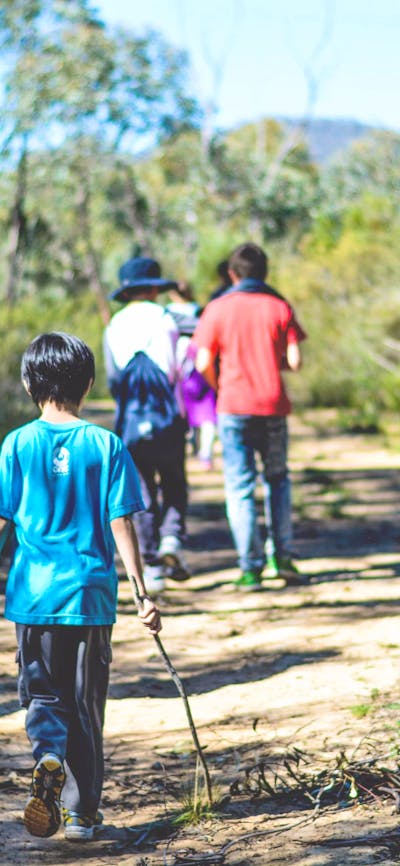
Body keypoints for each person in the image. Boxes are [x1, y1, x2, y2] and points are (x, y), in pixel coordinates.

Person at [0, 332, 161, 842]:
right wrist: (141, 591)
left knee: (43, 694)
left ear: (29, 383)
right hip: (90, 597)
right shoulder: (106, 444)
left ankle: (47, 752)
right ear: (89, 384)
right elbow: (122, 524)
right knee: (87, 706)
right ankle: (80, 816)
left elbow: (2, 521)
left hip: (34, 596)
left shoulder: (16, 444)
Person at [192, 241, 307, 590]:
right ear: (264, 272)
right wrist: (272, 364)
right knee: (277, 479)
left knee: (240, 487)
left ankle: (249, 567)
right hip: (273, 405)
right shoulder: (279, 306)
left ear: (232, 273)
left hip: (233, 406)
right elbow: (296, 360)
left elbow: (201, 363)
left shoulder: (217, 308)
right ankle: (282, 557)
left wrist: (220, 386)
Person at [104, 256, 189, 594]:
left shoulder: (114, 325)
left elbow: (112, 379)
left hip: (130, 421)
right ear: (154, 288)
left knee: (140, 489)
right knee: (174, 481)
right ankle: (172, 539)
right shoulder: (169, 319)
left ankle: (151, 565)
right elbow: (179, 368)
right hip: (167, 418)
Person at [166, 281, 217, 469]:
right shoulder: (201, 313)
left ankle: (191, 447)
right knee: (208, 415)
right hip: (202, 367)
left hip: (179, 371)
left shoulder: (168, 314)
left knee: (184, 414)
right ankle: (206, 455)